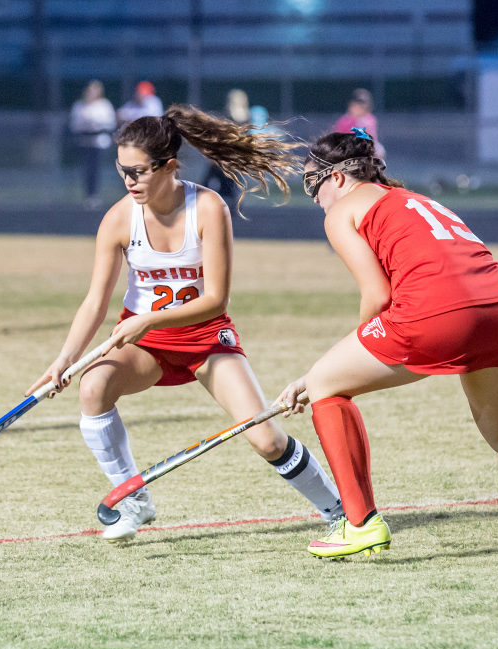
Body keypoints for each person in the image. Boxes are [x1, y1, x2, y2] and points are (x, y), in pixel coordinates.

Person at [276, 127, 498, 562]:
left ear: (337, 177)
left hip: (439, 312)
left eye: (312, 185)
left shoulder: (340, 213)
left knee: (326, 385)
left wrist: (336, 362)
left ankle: (361, 525)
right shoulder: (412, 198)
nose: (315, 198)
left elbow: (377, 296)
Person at [29, 105, 343, 542]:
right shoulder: (119, 219)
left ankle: (339, 512)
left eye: (138, 171)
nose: (129, 182)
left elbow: (215, 301)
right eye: (123, 171)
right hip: (146, 344)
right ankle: (134, 502)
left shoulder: (208, 208)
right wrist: (64, 359)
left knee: (266, 439)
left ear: (169, 165)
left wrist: (149, 319)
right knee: (92, 387)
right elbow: (94, 301)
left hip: (205, 338)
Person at [69, 80, 116, 210]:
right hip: (85, 142)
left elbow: (110, 123)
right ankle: (88, 196)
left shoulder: (104, 105)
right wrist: (86, 124)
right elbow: (74, 125)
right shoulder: (79, 106)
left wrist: (97, 124)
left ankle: (99, 195)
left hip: (99, 143)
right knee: (87, 171)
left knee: (97, 170)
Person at [202, 89, 250, 200]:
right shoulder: (245, 118)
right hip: (231, 160)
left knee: (218, 188)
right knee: (227, 189)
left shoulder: (228, 118)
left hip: (225, 160)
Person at [332, 88, 384, 157]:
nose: (359, 110)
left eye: (362, 107)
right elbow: (336, 138)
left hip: (364, 147)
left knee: (379, 150)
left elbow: (369, 139)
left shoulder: (369, 119)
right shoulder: (344, 120)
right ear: (350, 106)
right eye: (356, 106)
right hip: (347, 147)